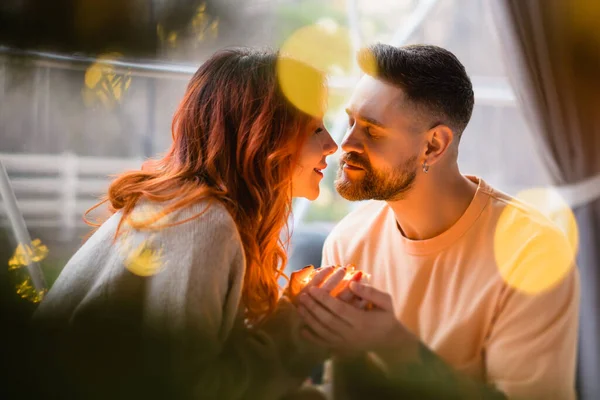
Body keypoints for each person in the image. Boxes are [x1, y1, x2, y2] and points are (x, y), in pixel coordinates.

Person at [31, 47, 344, 400]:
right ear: (264, 136)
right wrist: (294, 326)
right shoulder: (200, 224)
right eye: (315, 127)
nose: (332, 145)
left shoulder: (192, 211)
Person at [297, 44, 579, 400]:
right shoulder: (347, 242)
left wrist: (395, 346)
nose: (345, 144)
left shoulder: (532, 252)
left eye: (372, 131)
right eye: (351, 120)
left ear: (433, 146)